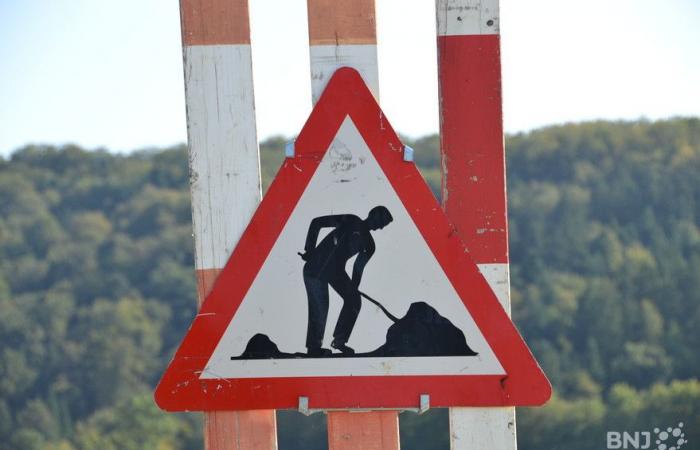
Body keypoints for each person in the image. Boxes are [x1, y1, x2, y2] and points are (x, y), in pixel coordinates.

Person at [299, 206, 393, 356]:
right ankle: (314, 348)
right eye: (381, 222)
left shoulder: (370, 245)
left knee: (354, 300)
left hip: (335, 271)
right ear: (373, 215)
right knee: (320, 305)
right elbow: (317, 223)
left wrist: (353, 288)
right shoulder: (351, 220)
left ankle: (340, 341)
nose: (380, 227)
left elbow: (358, 268)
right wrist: (310, 249)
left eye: (384, 225)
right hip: (317, 266)